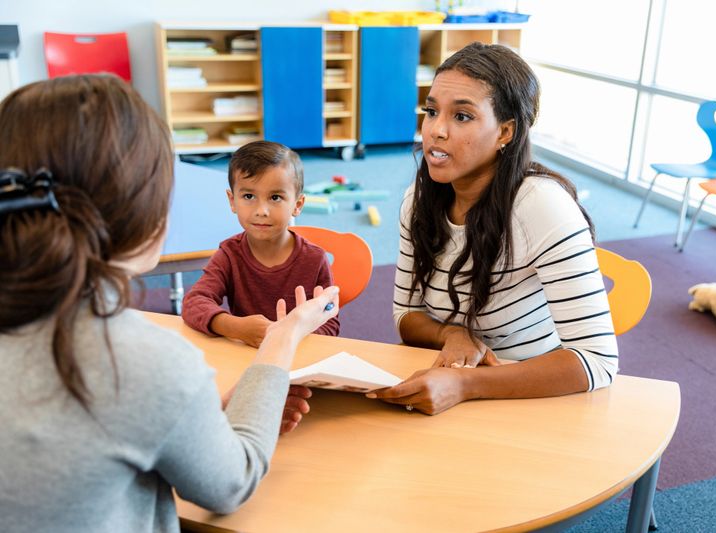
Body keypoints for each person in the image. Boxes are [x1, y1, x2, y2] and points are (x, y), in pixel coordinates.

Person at [0, 75, 339, 532]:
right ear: (150, 211)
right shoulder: (146, 365)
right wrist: (282, 338)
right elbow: (231, 484)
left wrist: (202, 409)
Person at [369, 43, 618, 415]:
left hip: (530, 397)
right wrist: (452, 333)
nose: (436, 130)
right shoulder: (418, 200)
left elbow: (596, 361)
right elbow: (406, 316)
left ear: (505, 131)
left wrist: (465, 384)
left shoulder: (542, 206)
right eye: (431, 111)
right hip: (449, 387)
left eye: (462, 117)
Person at [181, 140, 340, 345]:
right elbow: (194, 303)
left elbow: (330, 322)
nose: (261, 210)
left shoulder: (314, 258)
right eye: (248, 196)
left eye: (275, 197)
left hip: (299, 359)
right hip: (245, 356)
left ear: (297, 205)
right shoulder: (230, 254)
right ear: (232, 201)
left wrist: (291, 336)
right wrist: (235, 327)